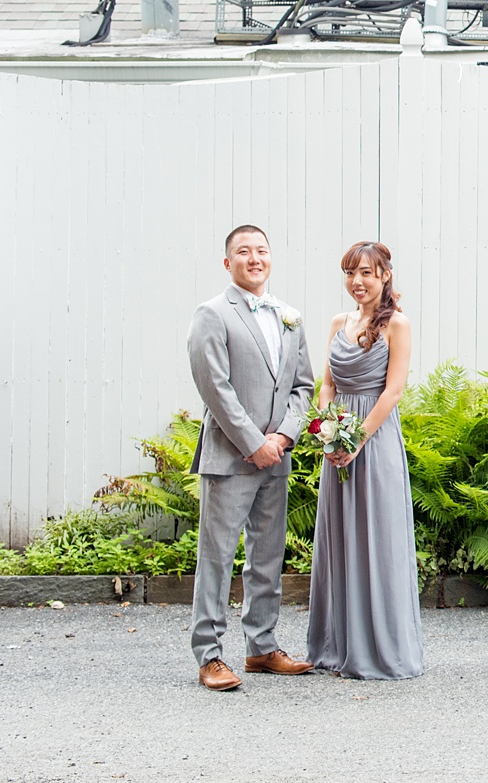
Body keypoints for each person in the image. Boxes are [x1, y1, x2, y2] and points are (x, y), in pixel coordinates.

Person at [185, 225, 315, 691]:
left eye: (261, 250)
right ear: (228, 263)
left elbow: (303, 387)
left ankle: (262, 646)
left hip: (276, 457)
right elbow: (214, 387)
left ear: (270, 258)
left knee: (267, 557)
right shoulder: (212, 314)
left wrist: (282, 437)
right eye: (244, 251)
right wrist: (252, 441)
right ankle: (210, 656)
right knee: (216, 557)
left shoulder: (290, 317)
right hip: (230, 457)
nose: (254, 258)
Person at [307, 242, 425, 680]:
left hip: (374, 442)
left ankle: (380, 648)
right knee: (339, 540)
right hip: (337, 442)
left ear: (385, 276)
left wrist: (355, 438)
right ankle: (336, 646)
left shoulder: (398, 324)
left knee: (378, 537)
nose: (358, 282)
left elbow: (393, 391)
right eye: (351, 273)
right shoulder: (339, 322)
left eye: (367, 274)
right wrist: (327, 431)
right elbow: (327, 384)